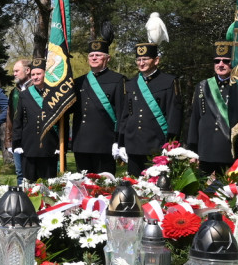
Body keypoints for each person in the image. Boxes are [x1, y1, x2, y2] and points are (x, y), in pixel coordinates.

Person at [118, 42, 182, 178]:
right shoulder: (131, 84)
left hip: (156, 144)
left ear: (156, 60)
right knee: (134, 186)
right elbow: (125, 115)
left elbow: (174, 114)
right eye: (138, 60)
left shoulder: (169, 81)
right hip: (133, 143)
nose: (141, 63)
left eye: (145, 59)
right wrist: (121, 143)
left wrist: (170, 144)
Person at [71, 38, 126, 174]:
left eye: (98, 55)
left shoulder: (118, 80)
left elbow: (121, 114)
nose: (94, 58)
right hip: (81, 143)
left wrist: (119, 141)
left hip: (105, 143)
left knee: (104, 187)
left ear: (107, 58)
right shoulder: (78, 82)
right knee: (82, 187)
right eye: (91, 55)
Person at [187, 41, 238, 175]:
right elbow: (195, 119)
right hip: (205, 150)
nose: (220, 65)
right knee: (200, 193)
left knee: (226, 193)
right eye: (217, 61)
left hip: (228, 152)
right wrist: (192, 150)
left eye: (226, 61)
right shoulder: (202, 86)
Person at [11, 57, 60, 182]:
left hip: (50, 146)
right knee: (29, 184)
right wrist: (17, 143)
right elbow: (18, 120)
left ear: (46, 75)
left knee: (50, 185)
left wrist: (61, 145)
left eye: (39, 74)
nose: (35, 77)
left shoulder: (56, 94)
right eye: (33, 74)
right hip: (29, 146)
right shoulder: (24, 95)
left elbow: (61, 121)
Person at [4, 59, 32, 179]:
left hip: (33, 138)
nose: (14, 74)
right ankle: (21, 196)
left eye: (17, 71)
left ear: (27, 70)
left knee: (32, 171)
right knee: (19, 173)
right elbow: (9, 118)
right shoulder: (14, 92)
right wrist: (8, 140)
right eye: (14, 71)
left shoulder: (37, 88)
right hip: (17, 138)